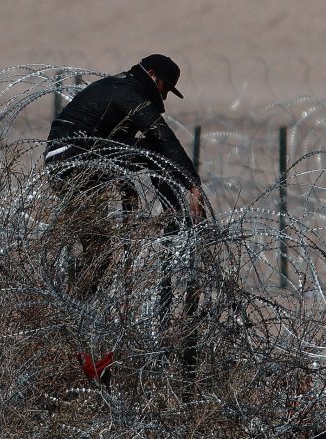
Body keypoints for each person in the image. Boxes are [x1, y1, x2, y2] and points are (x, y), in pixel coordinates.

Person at [44, 53, 206, 296]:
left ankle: (71, 306)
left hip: (73, 161)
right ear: (152, 75)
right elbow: (161, 135)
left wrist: (124, 184)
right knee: (154, 151)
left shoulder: (121, 86)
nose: (163, 96)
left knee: (99, 253)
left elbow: (115, 144)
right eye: (165, 88)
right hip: (73, 160)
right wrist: (193, 185)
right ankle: (173, 218)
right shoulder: (126, 91)